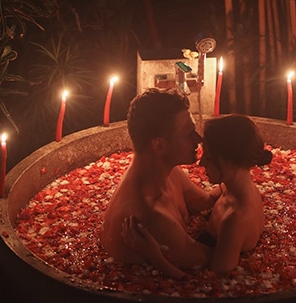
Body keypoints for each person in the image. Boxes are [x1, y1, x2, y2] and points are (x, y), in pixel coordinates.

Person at [122, 113, 272, 276]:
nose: (201, 163)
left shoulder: (234, 220)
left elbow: (210, 283)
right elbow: (209, 198)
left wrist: (155, 256)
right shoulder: (235, 188)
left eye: (208, 157)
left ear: (229, 162)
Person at [100, 89, 221, 278]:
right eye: (189, 133)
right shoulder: (152, 218)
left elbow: (207, 202)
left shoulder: (171, 173)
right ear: (159, 146)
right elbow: (215, 263)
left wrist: (235, 172)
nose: (198, 139)